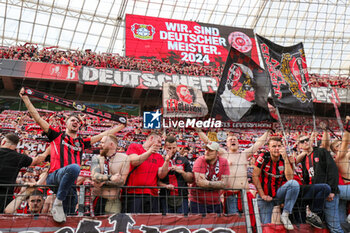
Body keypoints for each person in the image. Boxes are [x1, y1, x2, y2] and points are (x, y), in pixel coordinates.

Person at [19, 87, 125, 222]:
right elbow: (38, 118)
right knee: (75, 167)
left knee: (67, 218)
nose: (76, 122)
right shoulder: (57, 135)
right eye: (73, 120)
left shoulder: (81, 142)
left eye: (78, 122)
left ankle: (59, 208)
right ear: (66, 124)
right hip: (54, 176)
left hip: (70, 184)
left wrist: (121, 126)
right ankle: (57, 202)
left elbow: (102, 135)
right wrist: (25, 98)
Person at [198, 129, 270, 214]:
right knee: (235, 221)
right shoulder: (224, 154)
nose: (233, 140)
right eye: (230, 140)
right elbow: (208, 142)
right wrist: (198, 130)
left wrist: (267, 132)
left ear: (238, 143)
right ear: (227, 144)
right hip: (231, 195)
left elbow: (258, 143)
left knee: (248, 221)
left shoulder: (244, 154)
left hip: (245, 194)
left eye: (235, 139)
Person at [296, 133, 343, 233]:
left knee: (334, 227)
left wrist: (332, 190)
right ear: (299, 145)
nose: (305, 142)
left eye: (307, 139)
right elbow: (307, 179)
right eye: (302, 141)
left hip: (329, 195)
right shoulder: (304, 160)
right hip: (317, 197)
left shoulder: (321, 152)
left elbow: (332, 170)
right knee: (325, 227)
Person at [252, 136, 299, 230]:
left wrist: (285, 158)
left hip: (278, 194)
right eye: (274, 146)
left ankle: (285, 214)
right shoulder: (263, 157)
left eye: (279, 146)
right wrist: (262, 195)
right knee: (265, 227)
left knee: (294, 184)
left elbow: (290, 178)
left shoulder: (285, 158)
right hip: (265, 196)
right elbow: (255, 176)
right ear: (269, 148)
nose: (277, 148)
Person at [0, 133, 46, 213]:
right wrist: (49, 150)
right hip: (5, 196)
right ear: (16, 145)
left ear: (3, 142)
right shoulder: (19, 157)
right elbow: (36, 160)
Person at [123, 132, 169, 213]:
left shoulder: (159, 157)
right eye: (158, 141)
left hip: (152, 195)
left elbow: (161, 175)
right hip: (134, 193)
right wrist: (149, 152)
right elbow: (134, 161)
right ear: (151, 138)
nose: (160, 144)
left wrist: (167, 161)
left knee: (151, 222)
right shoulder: (135, 146)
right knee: (134, 221)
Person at [90, 134, 130, 215]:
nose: (100, 145)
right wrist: (111, 178)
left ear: (111, 144)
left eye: (102, 143)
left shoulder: (125, 158)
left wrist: (104, 182)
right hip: (96, 198)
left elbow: (122, 181)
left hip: (113, 201)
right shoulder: (96, 158)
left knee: (112, 224)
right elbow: (94, 176)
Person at [189, 141, 229, 214]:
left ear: (217, 153)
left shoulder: (224, 162)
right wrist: (218, 184)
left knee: (217, 225)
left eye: (210, 150)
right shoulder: (200, 160)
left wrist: (207, 183)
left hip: (215, 202)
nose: (207, 152)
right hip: (198, 201)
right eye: (206, 149)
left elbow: (225, 184)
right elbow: (200, 183)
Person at [158, 135, 193, 214]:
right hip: (165, 197)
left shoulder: (184, 160)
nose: (172, 150)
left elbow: (190, 179)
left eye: (174, 148)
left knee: (182, 222)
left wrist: (182, 172)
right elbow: (156, 181)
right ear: (164, 147)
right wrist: (166, 186)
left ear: (177, 147)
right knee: (166, 222)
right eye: (169, 148)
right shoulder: (160, 159)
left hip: (182, 196)